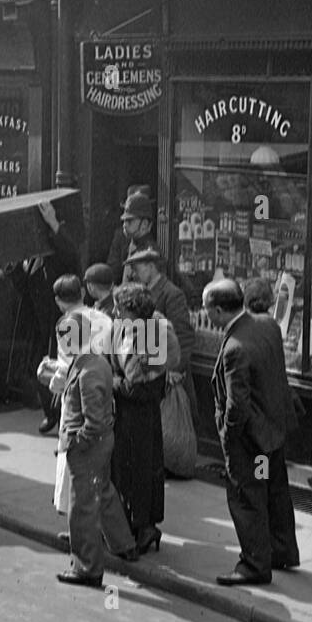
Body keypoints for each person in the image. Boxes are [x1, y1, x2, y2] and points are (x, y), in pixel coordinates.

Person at [205, 278, 300, 586]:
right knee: (272, 491)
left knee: (249, 498)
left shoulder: (235, 347)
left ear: (218, 310)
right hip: (271, 434)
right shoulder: (267, 325)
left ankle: (254, 565)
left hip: (249, 442)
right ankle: (281, 550)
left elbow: (237, 406)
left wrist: (228, 438)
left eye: (208, 310)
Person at [55, 313, 138, 588]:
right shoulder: (96, 361)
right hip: (102, 444)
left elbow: (92, 422)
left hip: (88, 449)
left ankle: (87, 567)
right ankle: (124, 544)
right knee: (103, 490)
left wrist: (75, 442)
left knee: (82, 508)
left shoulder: (87, 371)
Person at [10, 191, 81, 434]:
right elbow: (23, 287)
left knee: (62, 370)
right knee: (41, 369)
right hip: (39, 324)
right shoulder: (32, 258)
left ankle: (62, 419)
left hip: (59, 321)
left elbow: (72, 254)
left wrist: (52, 222)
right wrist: (14, 267)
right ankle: (50, 413)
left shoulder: (57, 252)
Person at [110, 283, 172, 556]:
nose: (114, 312)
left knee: (140, 473)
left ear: (132, 310)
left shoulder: (151, 337)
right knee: (128, 472)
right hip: (125, 416)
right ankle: (134, 527)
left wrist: (111, 381)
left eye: (119, 308)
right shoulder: (125, 331)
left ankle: (144, 528)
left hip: (141, 418)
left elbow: (143, 388)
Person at [126, 246, 197, 415]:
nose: (133, 274)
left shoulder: (172, 294)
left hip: (167, 374)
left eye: (137, 268)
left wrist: (175, 369)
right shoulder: (142, 293)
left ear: (151, 267)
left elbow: (184, 337)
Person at [107, 190, 158, 283]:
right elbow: (112, 271)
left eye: (130, 221)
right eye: (124, 221)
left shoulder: (151, 252)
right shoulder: (128, 243)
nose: (124, 225)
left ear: (144, 224)